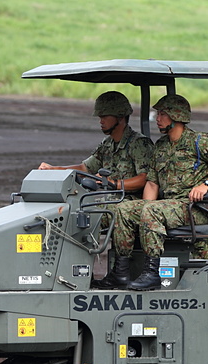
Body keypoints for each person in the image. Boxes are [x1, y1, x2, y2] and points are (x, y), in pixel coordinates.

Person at [111, 94, 208, 291]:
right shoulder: (161, 146)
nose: (157, 118)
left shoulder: (198, 141)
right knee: (124, 209)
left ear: (176, 116)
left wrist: (206, 184)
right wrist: (144, 207)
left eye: (162, 114)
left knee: (151, 212)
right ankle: (121, 272)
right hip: (169, 207)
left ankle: (152, 272)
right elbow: (152, 183)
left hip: (194, 208)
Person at [38, 91, 153, 289]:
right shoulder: (107, 145)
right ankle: (71, 272)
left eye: (104, 116)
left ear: (119, 118)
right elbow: (85, 168)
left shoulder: (138, 144)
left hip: (128, 201)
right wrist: (55, 169)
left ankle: (115, 272)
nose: (100, 121)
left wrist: (116, 184)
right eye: (100, 116)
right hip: (109, 199)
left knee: (86, 217)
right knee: (73, 212)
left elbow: (145, 178)